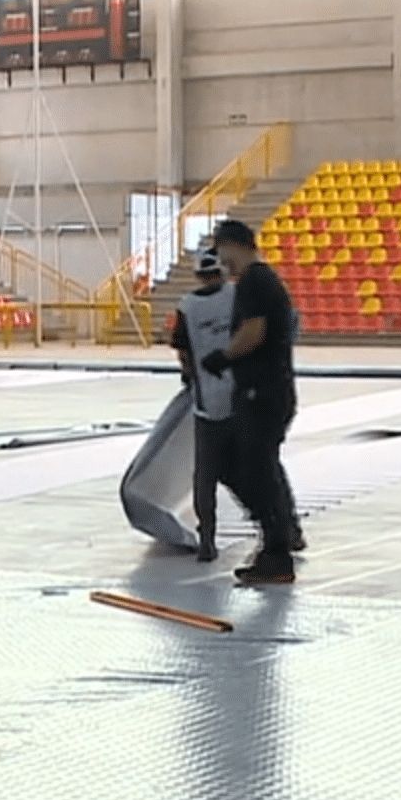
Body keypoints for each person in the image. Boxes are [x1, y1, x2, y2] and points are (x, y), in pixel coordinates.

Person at [200, 219, 299, 585]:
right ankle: (276, 537)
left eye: (221, 249)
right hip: (268, 391)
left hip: (263, 393)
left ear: (234, 245)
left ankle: (276, 545)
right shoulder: (262, 280)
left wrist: (224, 356)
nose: (220, 259)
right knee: (252, 467)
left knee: (245, 467)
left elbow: (253, 332)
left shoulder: (255, 281)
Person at [171, 249, 235, 563]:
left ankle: (207, 536)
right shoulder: (237, 297)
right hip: (242, 399)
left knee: (205, 474)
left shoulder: (187, 307)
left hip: (207, 402)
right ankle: (283, 530)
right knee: (258, 469)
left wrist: (188, 377)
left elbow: (182, 352)